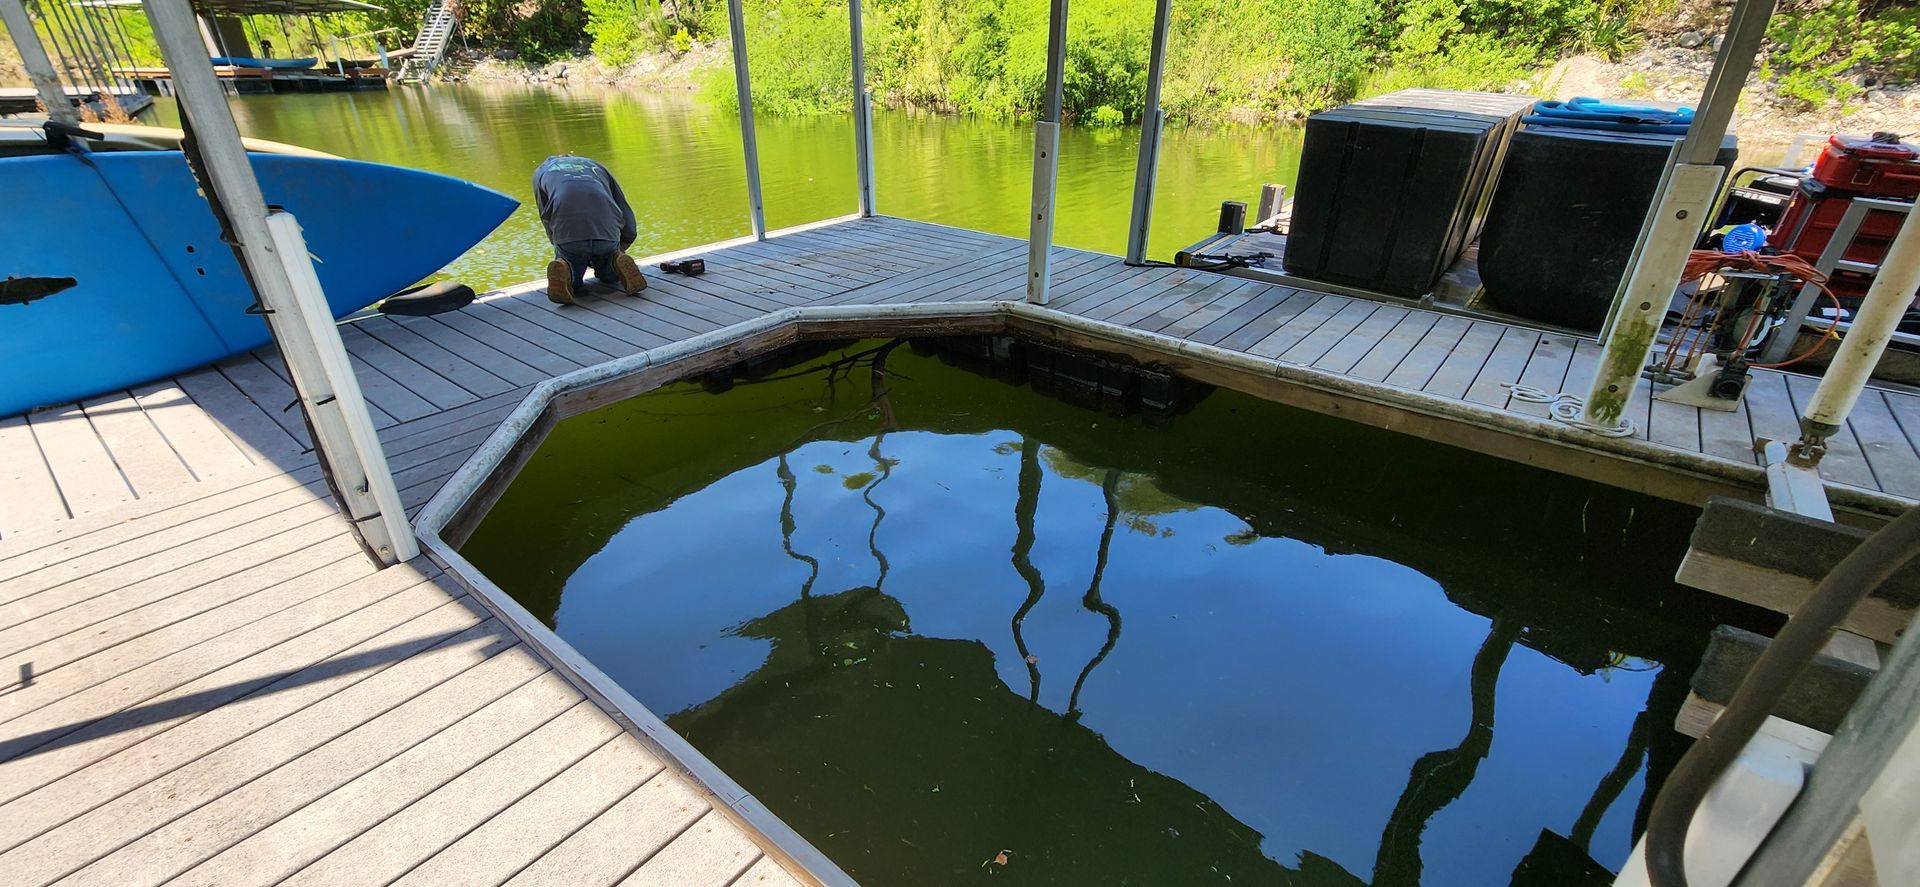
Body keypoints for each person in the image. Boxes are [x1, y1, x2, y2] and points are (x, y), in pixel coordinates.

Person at [532, 154, 647, 305]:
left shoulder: (541, 172)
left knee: (573, 276)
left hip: (570, 237)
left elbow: (546, 216)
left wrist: (558, 244)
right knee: (609, 275)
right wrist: (623, 244)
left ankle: (566, 269)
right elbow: (624, 209)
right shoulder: (595, 166)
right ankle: (614, 261)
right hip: (607, 233)